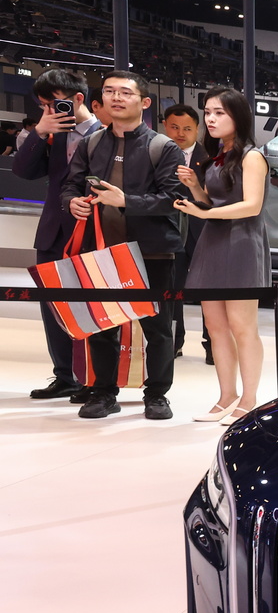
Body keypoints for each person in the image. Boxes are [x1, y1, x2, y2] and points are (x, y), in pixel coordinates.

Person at [59, 70, 186, 420]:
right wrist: (71, 202)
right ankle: (103, 392)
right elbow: (70, 185)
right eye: (109, 91)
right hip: (100, 251)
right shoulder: (91, 143)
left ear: (144, 102)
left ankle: (157, 395)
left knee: (158, 329)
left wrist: (126, 201)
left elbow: (173, 200)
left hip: (152, 252)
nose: (116, 97)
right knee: (102, 325)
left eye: (125, 93)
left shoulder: (163, 147)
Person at [173, 89, 269, 422]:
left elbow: (251, 205)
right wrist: (194, 188)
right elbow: (212, 202)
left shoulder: (252, 157)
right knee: (215, 326)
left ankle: (249, 399)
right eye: (208, 112)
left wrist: (204, 214)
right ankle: (226, 395)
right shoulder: (218, 156)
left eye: (220, 113)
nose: (211, 119)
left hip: (241, 243)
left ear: (238, 117)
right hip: (213, 241)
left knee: (243, 326)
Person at [13, 69, 101, 402]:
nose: (49, 110)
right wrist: (39, 132)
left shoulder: (106, 134)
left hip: (93, 233)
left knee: (95, 308)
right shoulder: (52, 134)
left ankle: (97, 378)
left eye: (54, 103)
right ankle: (66, 376)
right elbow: (23, 171)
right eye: (43, 105)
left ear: (78, 98)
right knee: (54, 309)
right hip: (53, 233)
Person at [158, 102, 203, 359]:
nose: (180, 134)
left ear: (197, 129)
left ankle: (212, 345)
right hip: (169, 229)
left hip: (203, 230)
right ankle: (175, 341)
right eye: (174, 127)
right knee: (172, 288)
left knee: (208, 290)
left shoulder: (210, 158)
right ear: (165, 126)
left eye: (187, 128)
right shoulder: (157, 153)